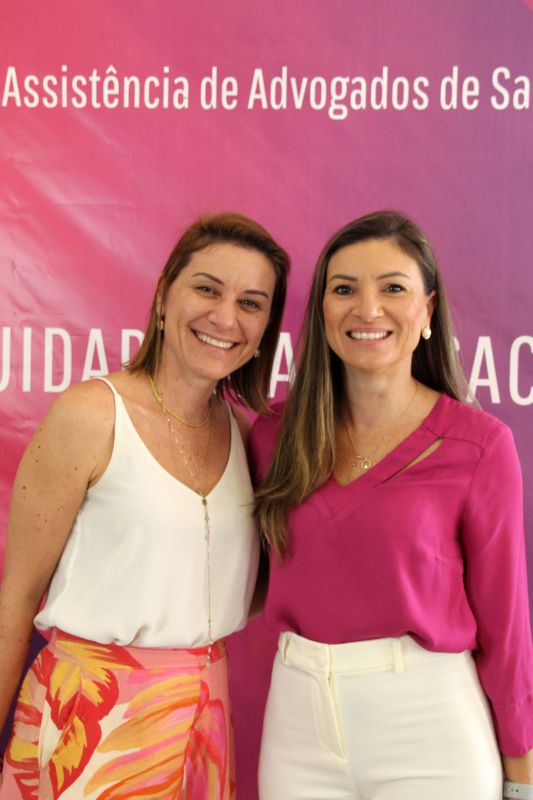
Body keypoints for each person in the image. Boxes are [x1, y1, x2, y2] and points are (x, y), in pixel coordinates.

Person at [0, 212, 289, 799]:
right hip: (93, 720)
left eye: (250, 303)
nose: (225, 317)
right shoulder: (90, 414)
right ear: (163, 296)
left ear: (265, 331)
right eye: (207, 289)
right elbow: (17, 597)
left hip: (205, 720)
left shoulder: (245, 434)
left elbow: (245, 586)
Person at [251, 210, 533, 800]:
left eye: (393, 288)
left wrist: (522, 776)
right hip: (297, 726)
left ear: (428, 311)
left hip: (429, 729)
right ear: (321, 311)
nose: (367, 308)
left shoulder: (479, 445)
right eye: (344, 289)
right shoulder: (273, 436)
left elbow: (506, 628)